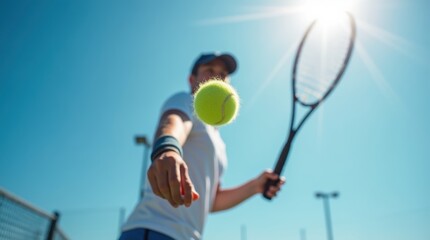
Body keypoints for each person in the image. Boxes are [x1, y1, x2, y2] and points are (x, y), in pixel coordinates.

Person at [120, 52, 285, 240]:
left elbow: (211, 201)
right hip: (153, 229)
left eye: (223, 73)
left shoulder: (219, 144)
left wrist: (255, 186)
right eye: (209, 70)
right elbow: (175, 122)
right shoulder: (185, 100)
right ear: (192, 79)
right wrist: (169, 148)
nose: (217, 76)